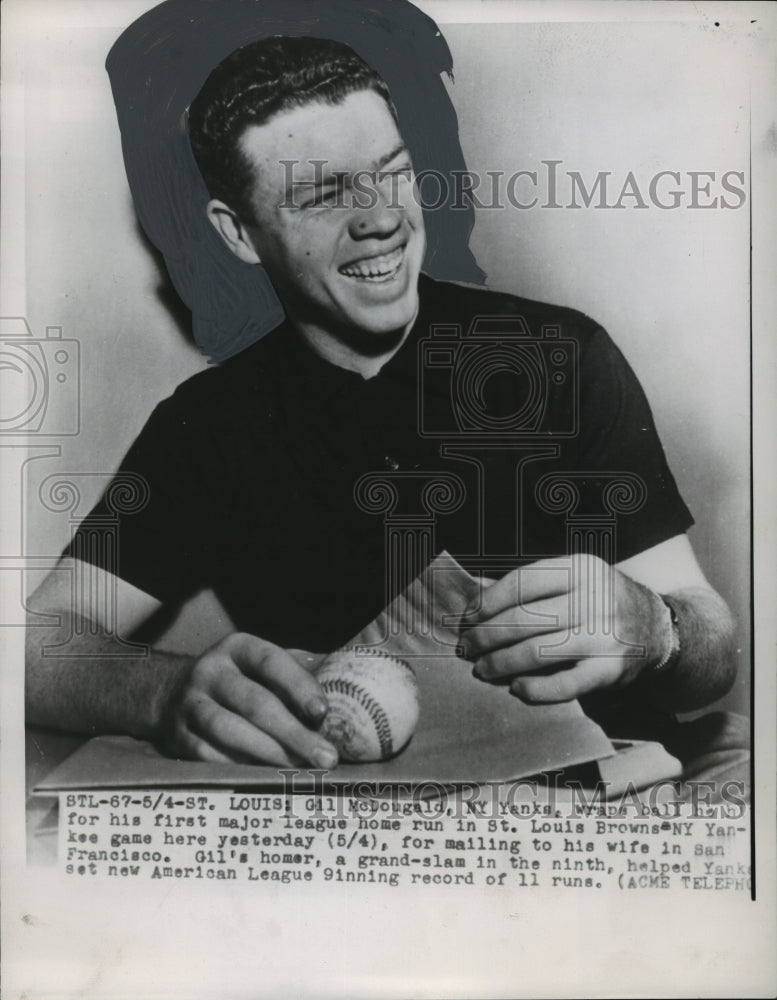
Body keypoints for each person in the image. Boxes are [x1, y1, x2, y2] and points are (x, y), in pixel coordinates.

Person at [25, 34, 740, 776]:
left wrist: (656, 627)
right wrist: (162, 691)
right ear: (238, 233)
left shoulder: (555, 353)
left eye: (392, 173)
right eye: (323, 194)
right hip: (364, 835)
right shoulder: (205, 426)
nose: (380, 219)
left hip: (610, 798)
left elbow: (710, 647)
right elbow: (31, 643)